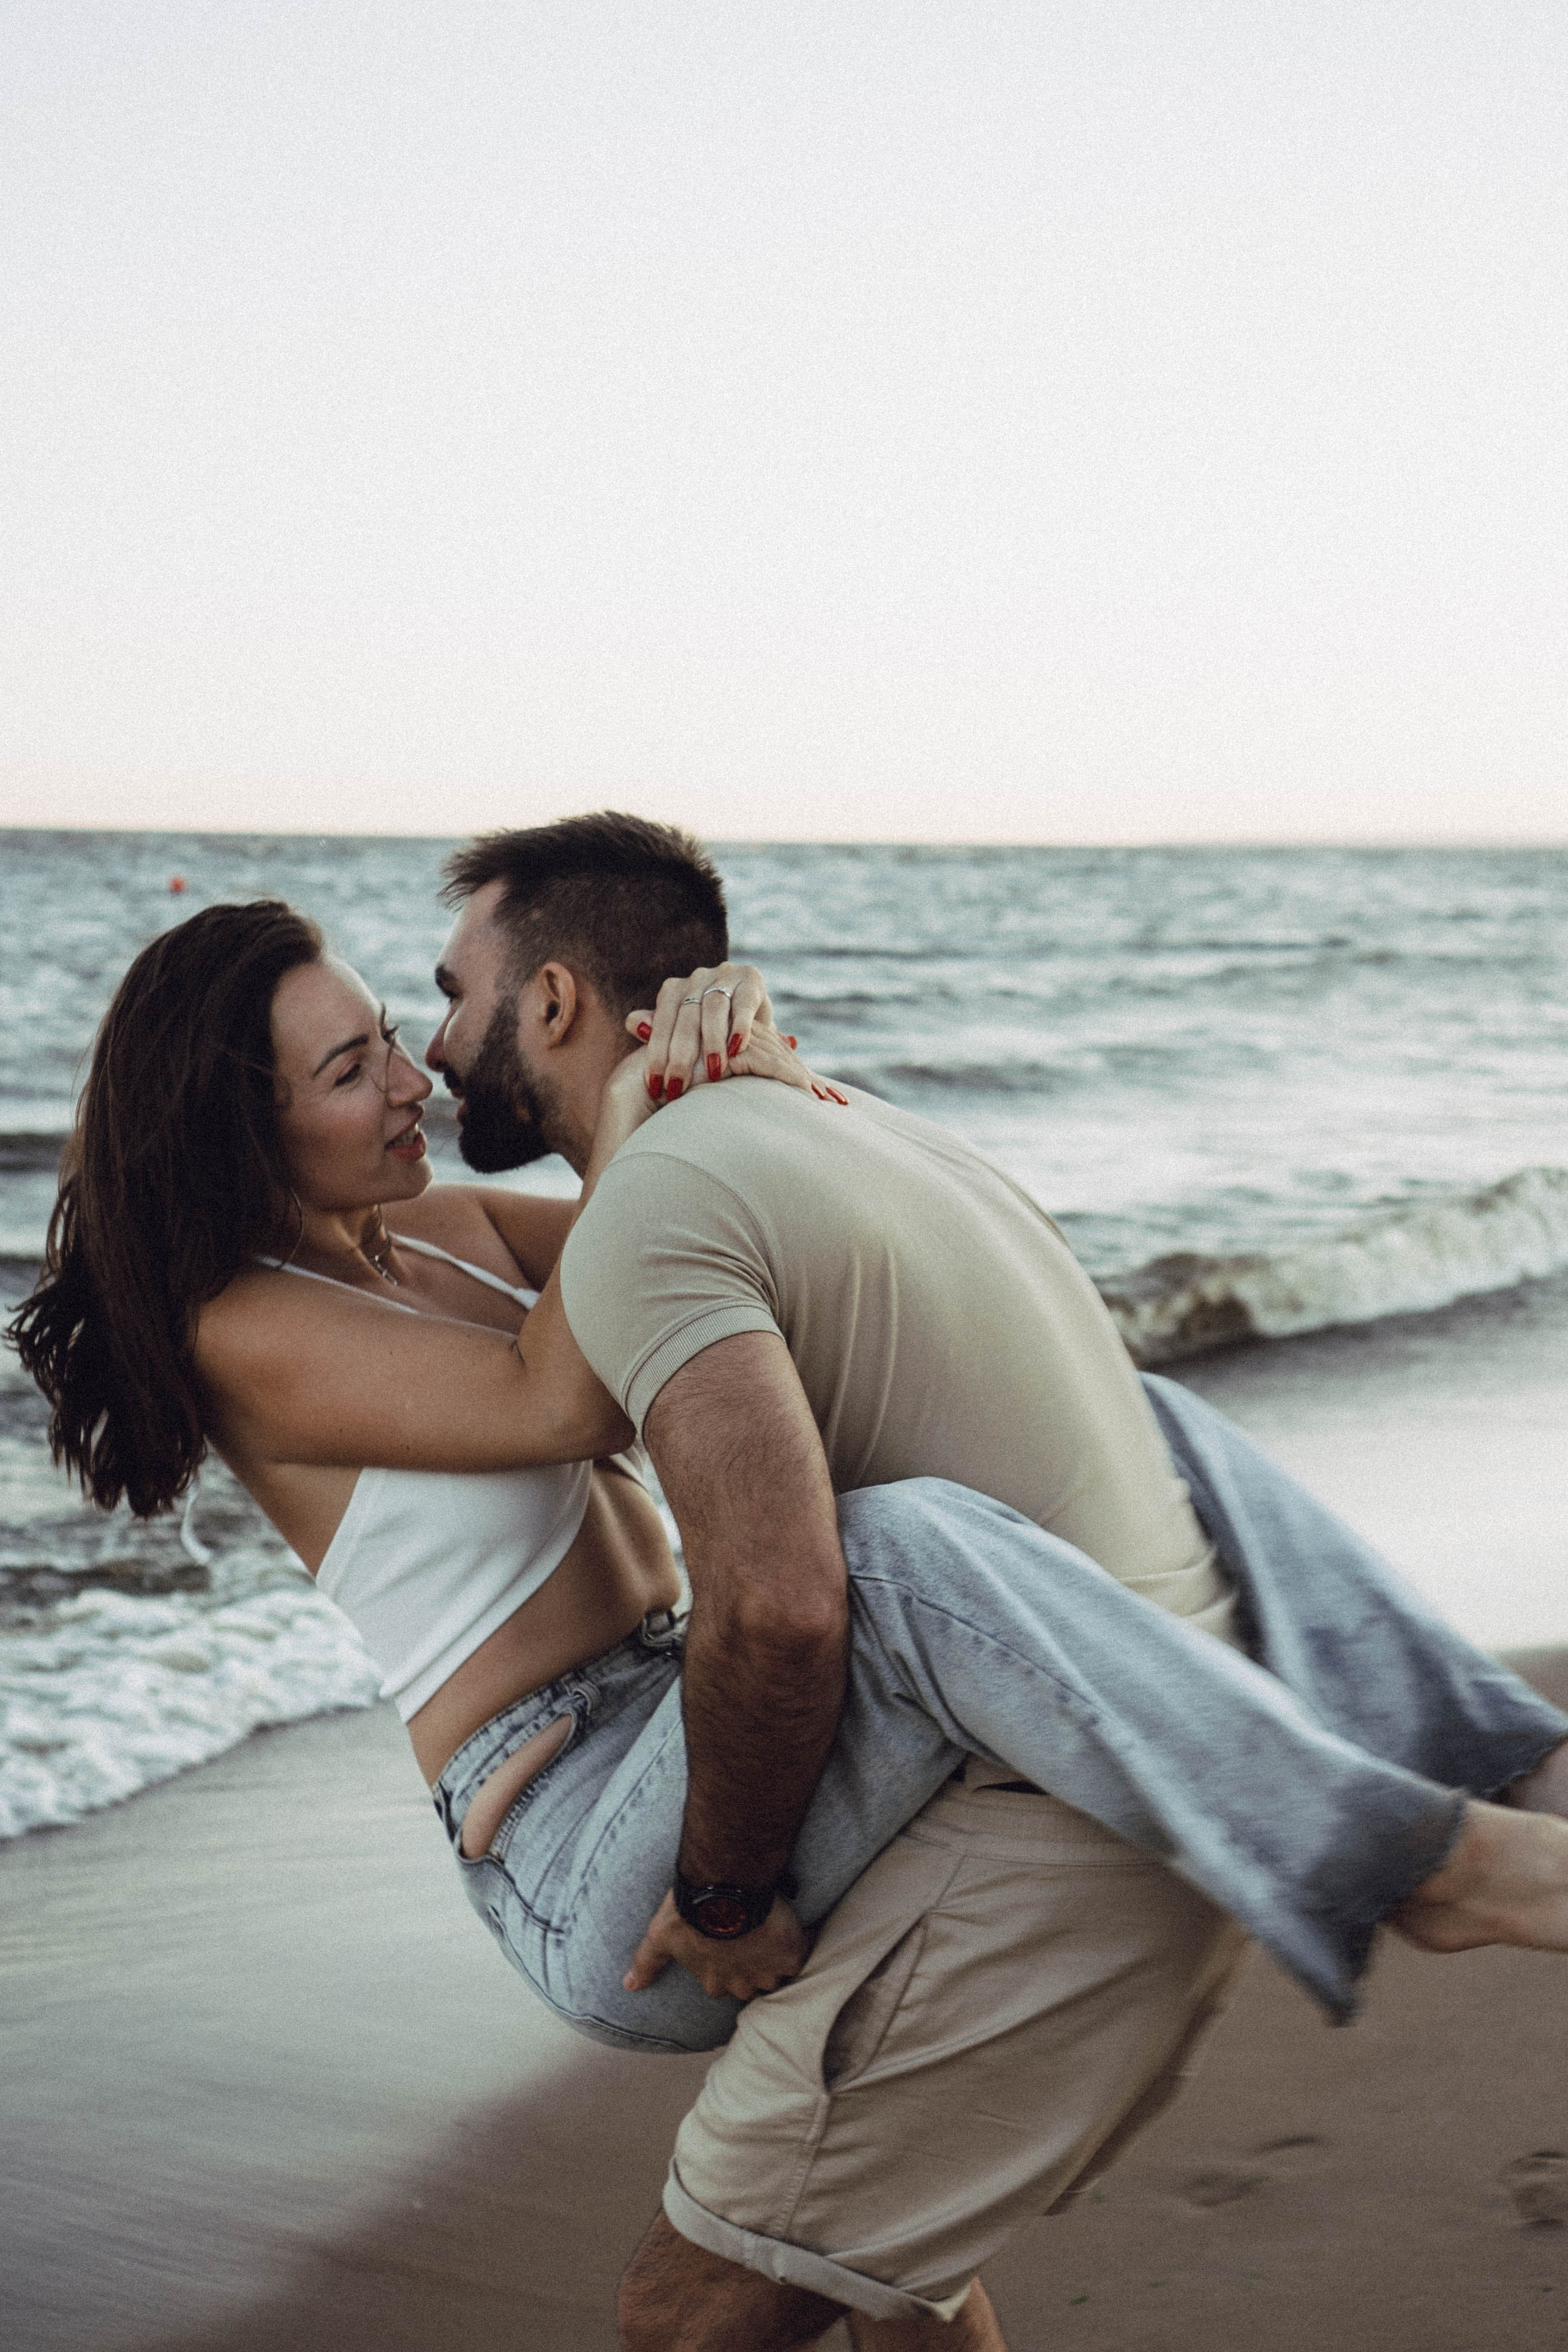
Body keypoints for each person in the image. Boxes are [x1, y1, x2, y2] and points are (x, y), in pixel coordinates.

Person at [10, 858, 1568, 2352]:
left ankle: (1492, 1751)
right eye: (351, 1068)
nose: (413, 1075)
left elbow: (725, 1239)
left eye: (386, 1033)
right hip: (572, 1841)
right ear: (242, 1129)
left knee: (892, 2257)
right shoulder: (245, 1330)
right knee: (881, 1549)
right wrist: (641, 1093)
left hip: (681, 1716)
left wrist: (712, 1051)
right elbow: (561, 1390)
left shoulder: (443, 1229)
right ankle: (1413, 1864)